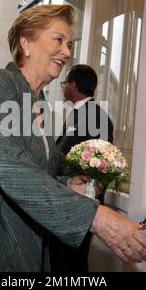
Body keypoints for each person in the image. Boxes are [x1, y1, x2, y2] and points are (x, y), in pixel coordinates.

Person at [0, 4, 146, 272]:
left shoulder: (38, 102)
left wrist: (68, 183)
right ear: (26, 43)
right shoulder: (0, 84)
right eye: (58, 40)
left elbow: (40, 168)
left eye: (69, 44)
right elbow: (10, 168)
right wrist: (95, 217)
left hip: (17, 252)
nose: (67, 52)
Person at [51, 64, 114, 272]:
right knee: (65, 261)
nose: (63, 87)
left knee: (71, 264)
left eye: (65, 83)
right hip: (70, 201)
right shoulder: (81, 113)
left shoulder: (94, 116)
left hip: (78, 203)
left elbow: (98, 165)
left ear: (74, 85)